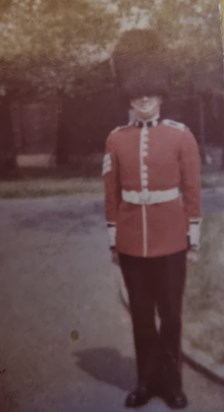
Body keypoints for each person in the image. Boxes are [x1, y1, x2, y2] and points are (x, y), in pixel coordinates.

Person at [102, 29, 201, 409]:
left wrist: (193, 239)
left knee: (171, 316)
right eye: (137, 92)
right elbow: (111, 192)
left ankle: (172, 383)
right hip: (131, 241)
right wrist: (114, 239)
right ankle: (145, 382)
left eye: (150, 92)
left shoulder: (181, 136)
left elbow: (191, 190)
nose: (144, 98)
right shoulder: (116, 138)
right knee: (142, 317)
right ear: (129, 95)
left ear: (160, 95)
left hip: (172, 240)